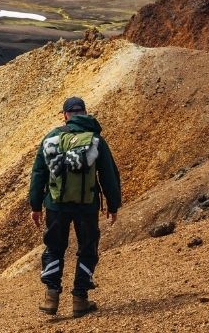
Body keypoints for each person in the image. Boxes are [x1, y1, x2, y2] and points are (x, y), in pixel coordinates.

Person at [28, 96, 122, 317]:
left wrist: (35, 205)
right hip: (86, 205)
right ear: (85, 113)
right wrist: (113, 204)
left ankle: (51, 297)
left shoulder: (51, 138)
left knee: (54, 248)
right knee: (87, 249)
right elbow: (108, 174)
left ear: (65, 115)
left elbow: (39, 173)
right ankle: (80, 299)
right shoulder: (95, 139)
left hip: (55, 205)